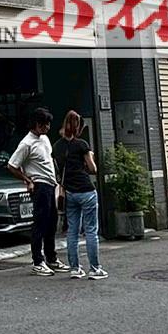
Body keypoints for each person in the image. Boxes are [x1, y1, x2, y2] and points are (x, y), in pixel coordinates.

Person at [53, 110, 104, 280]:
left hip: (69, 192)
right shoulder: (82, 144)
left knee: (72, 232)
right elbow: (92, 169)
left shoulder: (57, 146)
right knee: (91, 231)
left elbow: (58, 169)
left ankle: (75, 268)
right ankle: (95, 269)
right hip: (86, 191)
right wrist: (90, 157)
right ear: (78, 127)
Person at [10, 108, 60, 276]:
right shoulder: (26, 143)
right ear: (37, 124)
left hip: (50, 184)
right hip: (39, 185)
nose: (48, 127)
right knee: (40, 223)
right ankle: (38, 261)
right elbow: (12, 165)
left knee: (52, 222)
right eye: (45, 124)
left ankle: (51, 258)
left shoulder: (44, 139)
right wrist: (28, 180)